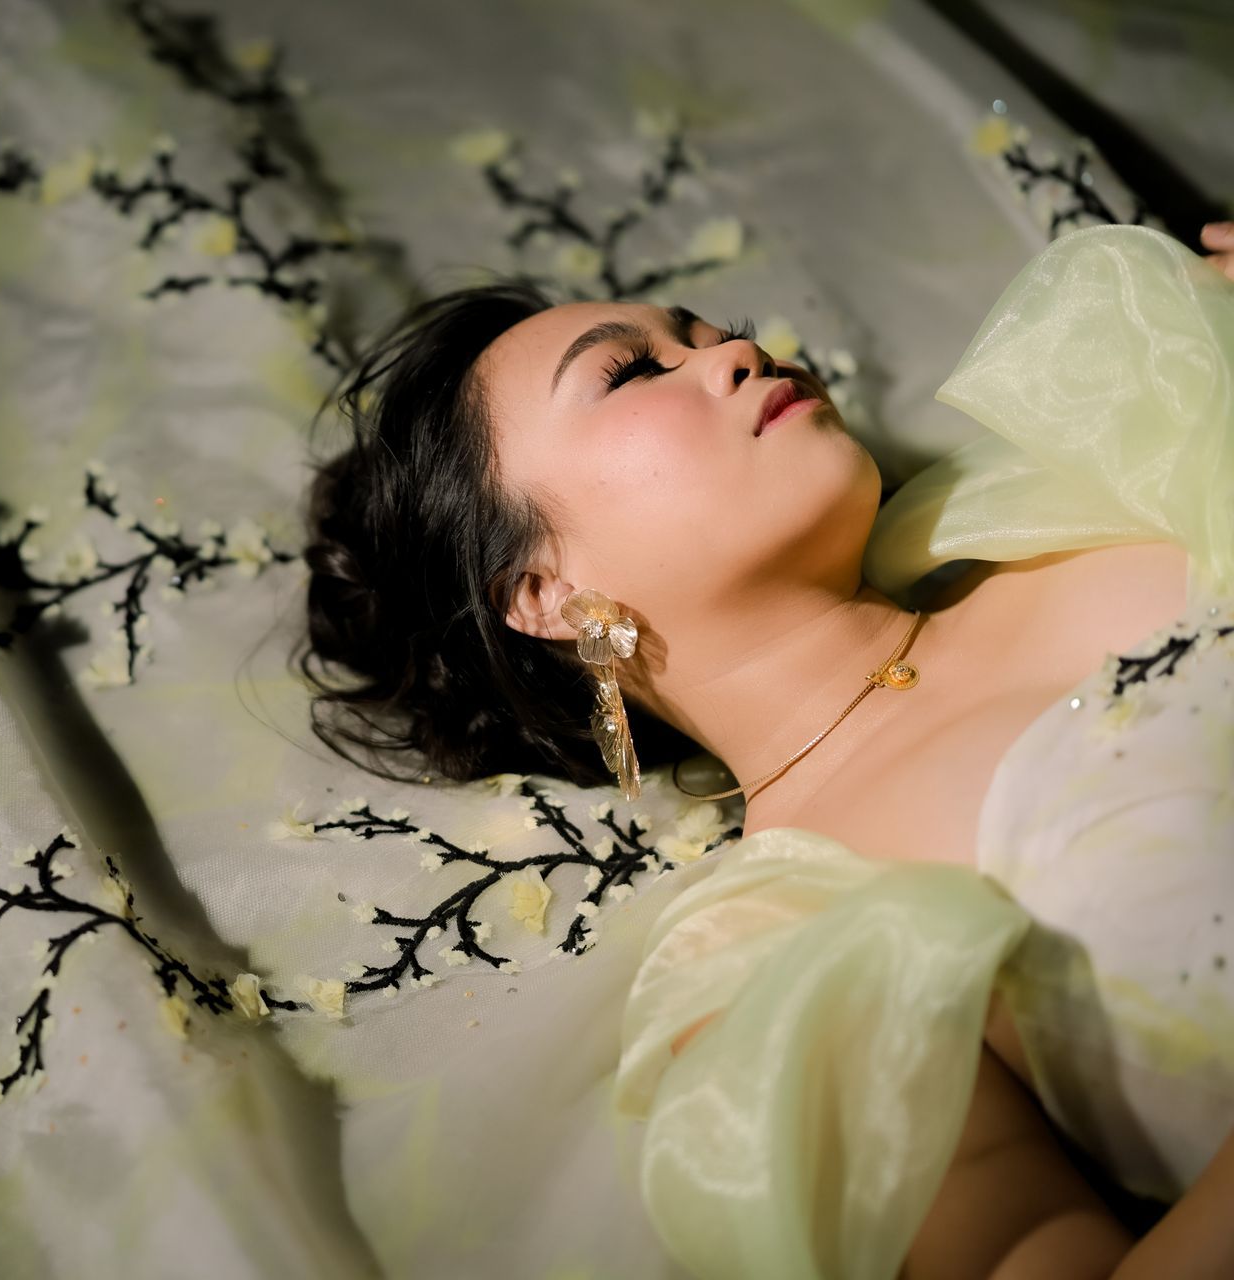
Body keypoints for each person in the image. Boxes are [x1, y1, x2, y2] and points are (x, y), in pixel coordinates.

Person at [296, 220, 1234, 1279]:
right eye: (633, 371)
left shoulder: (1120, 464)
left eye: (714, 332)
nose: (742, 351)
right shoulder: (780, 951)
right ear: (544, 592)